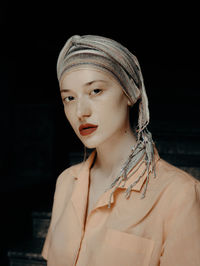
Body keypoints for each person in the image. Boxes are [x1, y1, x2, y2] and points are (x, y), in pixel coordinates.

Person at [41, 35, 200, 266]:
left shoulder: (180, 195)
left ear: (129, 92)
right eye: (69, 98)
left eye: (95, 91)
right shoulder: (66, 182)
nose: (80, 112)